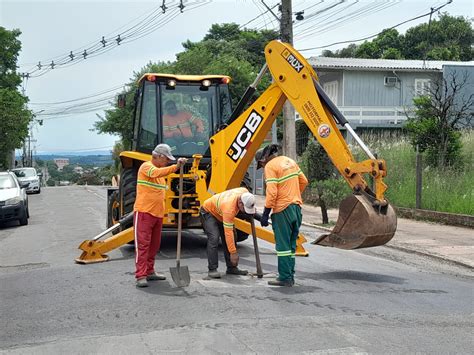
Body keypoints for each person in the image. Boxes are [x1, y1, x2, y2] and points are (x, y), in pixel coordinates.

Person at [133, 143, 187, 288]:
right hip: (144, 212)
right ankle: (141, 275)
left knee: (154, 245)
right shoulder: (146, 167)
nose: (168, 162)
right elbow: (156, 173)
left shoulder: (161, 176)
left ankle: (150, 271)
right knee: (143, 245)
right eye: (167, 159)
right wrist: (176, 166)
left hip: (157, 215)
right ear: (159, 156)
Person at [255, 144, 308, 287]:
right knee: (291, 244)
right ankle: (290, 275)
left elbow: (272, 193)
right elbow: (304, 181)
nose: (261, 166)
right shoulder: (289, 161)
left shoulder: (270, 167)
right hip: (296, 208)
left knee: (283, 245)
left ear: (262, 160)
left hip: (282, 210)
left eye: (260, 163)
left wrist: (265, 214)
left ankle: (285, 278)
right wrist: (293, 195)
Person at [200, 187, 256, 279]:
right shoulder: (229, 208)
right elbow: (228, 233)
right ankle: (212, 269)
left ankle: (231, 268)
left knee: (233, 236)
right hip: (208, 212)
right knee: (214, 238)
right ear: (240, 203)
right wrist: (233, 253)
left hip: (220, 212)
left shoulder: (245, 192)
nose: (245, 211)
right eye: (244, 208)